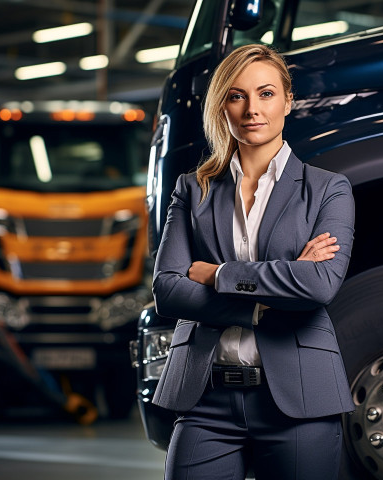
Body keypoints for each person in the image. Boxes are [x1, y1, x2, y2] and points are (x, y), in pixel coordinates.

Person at [152, 44, 355, 480]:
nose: (251, 109)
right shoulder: (193, 189)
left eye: (265, 94)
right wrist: (266, 302)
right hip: (205, 399)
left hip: (299, 396)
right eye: (236, 95)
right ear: (221, 106)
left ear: (288, 100)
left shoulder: (328, 190)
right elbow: (168, 290)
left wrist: (218, 274)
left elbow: (319, 285)